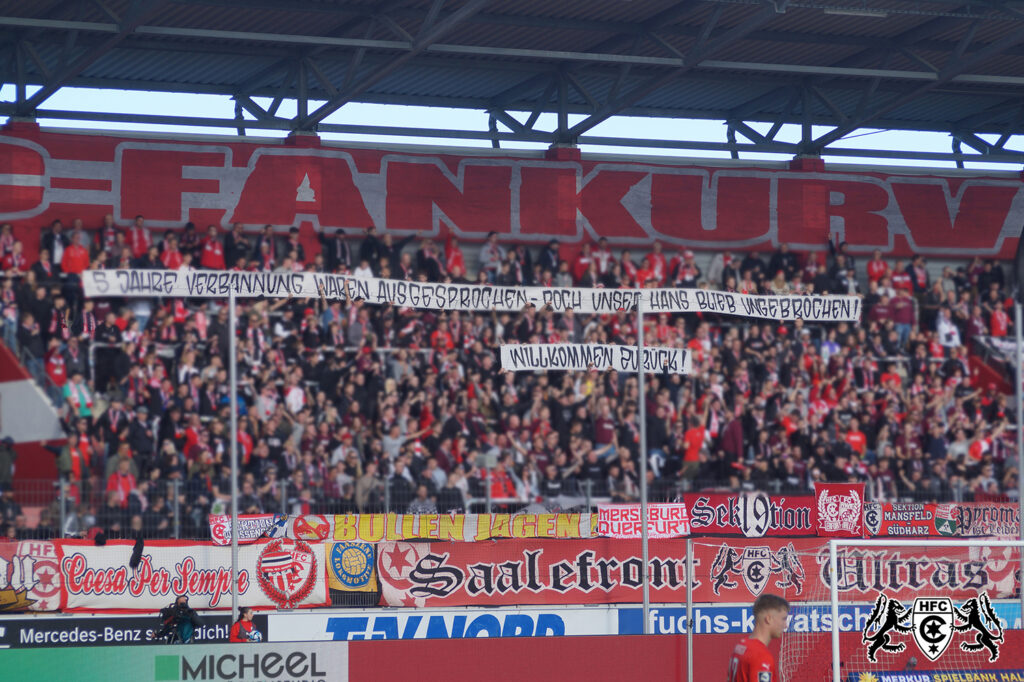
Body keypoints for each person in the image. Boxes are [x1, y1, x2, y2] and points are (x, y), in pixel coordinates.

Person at [727, 593, 789, 682]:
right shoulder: (761, 656)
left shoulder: (741, 645)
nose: (785, 625)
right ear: (769, 619)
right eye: (783, 619)